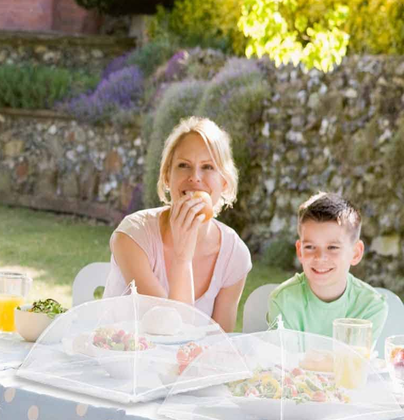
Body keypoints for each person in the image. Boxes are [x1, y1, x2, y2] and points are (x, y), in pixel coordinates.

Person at [104, 116, 252, 332]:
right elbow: (169, 332)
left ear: (224, 181)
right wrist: (183, 258)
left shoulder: (234, 255)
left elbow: (221, 343)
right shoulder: (131, 236)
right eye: (183, 165)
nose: (195, 177)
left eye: (208, 167)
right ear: (167, 176)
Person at [267, 192, 387, 340]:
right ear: (300, 251)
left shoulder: (371, 306)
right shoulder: (283, 301)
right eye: (310, 247)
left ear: (356, 253)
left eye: (332, 247)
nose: (320, 257)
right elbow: (285, 355)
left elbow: (356, 355)